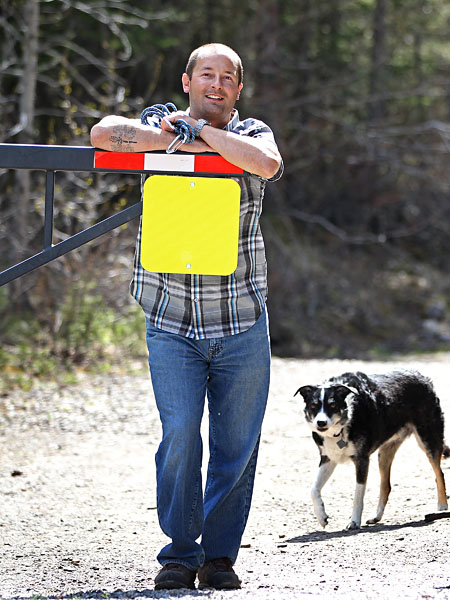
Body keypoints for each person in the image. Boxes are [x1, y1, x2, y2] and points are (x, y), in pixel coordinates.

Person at [90, 43, 283, 590]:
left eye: (227, 78)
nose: (216, 84)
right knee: (180, 436)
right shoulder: (156, 122)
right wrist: (178, 132)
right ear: (186, 80)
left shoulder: (254, 133)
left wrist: (198, 135)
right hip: (171, 319)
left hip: (240, 317)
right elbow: (104, 134)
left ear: (238, 90)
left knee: (236, 445)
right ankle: (179, 552)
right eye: (206, 75)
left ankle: (219, 557)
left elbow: (266, 165)